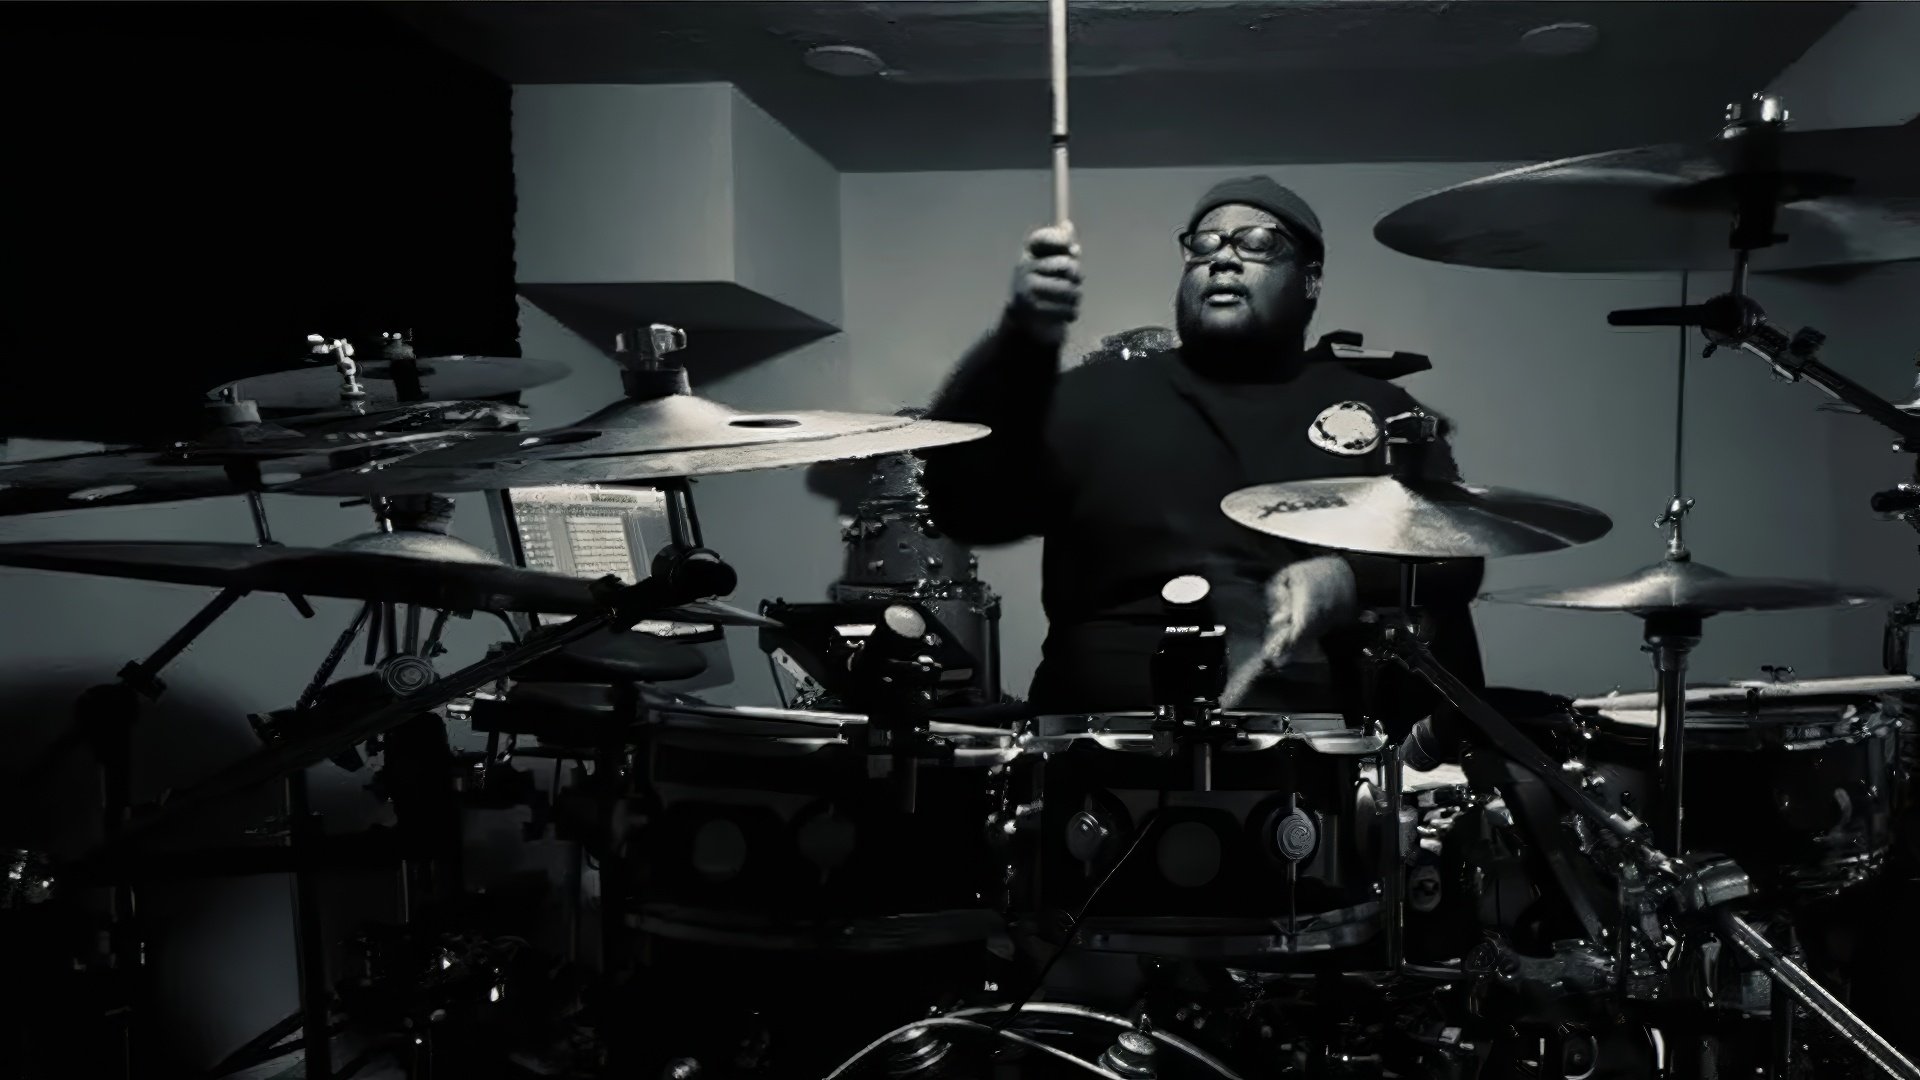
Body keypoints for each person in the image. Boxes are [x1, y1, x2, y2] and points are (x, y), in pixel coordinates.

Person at [920, 176, 1485, 716]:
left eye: (1257, 242)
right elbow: (967, 508)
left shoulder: (1379, 409)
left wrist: (1349, 581)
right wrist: (1020, 338)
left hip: (1307, 740)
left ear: (1310, 279)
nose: (1223, 258)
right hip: (1098, 737)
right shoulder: (1094, 395)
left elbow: (1456, 561)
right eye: (1204, 244)